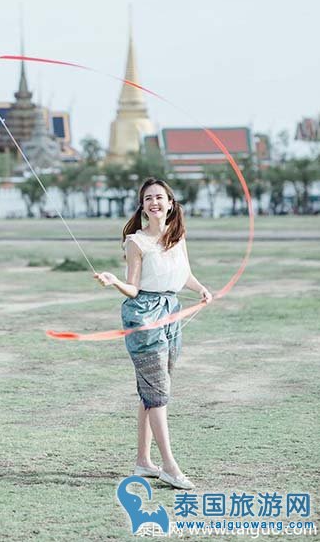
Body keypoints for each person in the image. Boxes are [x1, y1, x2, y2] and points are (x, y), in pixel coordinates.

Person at [94, 177, 212, 490]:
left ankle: (143, 462)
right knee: (158, 392)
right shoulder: (136, 241)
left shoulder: (179, 235)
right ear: (143, 206)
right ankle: (170, 467)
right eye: (148, 198)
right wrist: (114, 281)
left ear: (170, 204)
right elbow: (133, 287)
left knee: (153, 390)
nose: (154, 202)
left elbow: (184, 273)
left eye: (159, 197)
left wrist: (200, 289)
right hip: (143, 314)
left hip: (171, 311)